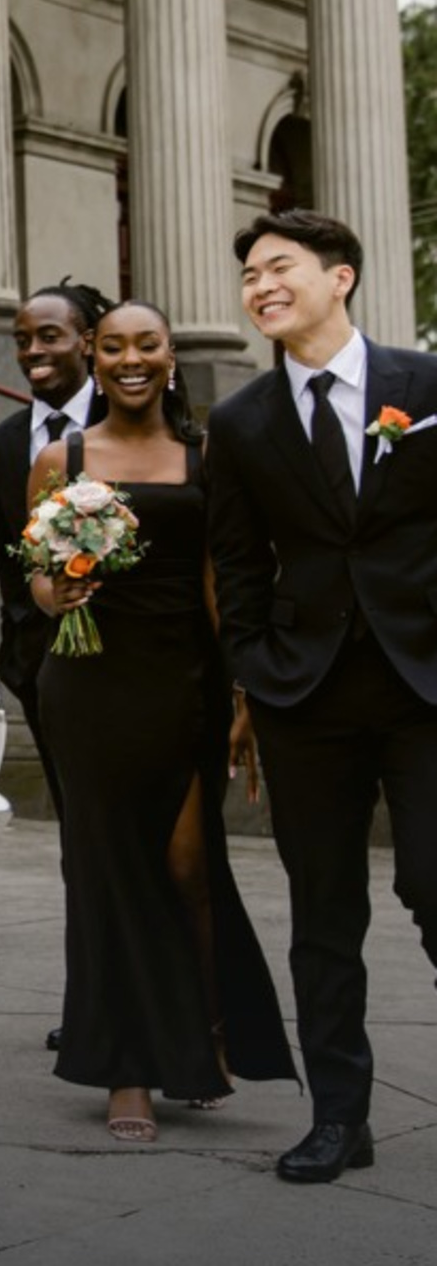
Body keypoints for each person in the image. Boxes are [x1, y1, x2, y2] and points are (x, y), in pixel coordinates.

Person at [206, 210, 437, 1184]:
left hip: (422, 685)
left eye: (277, 268)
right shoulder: (240, 421)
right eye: (248, 276)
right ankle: (338, 1117)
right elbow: (234, 562)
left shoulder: (423, 388)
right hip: (305, 697)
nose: (258, 287)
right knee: (320, 916)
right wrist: (256, 667)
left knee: (432, 885)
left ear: (337, 277)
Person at [33, 300, 294, 1144]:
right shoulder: (58, 456)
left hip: (185, 683)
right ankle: (128, 1067)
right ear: (93, 359)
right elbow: (35, 575)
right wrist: (56, 589)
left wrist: (248, 695)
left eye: (147, 344)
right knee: (107, 870)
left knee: (188, 864)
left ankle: (207, 1028)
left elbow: (224, 584)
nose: (131, 359)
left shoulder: (204, 458)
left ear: (170, 356)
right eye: (113, 347)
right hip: (87, 680)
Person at [0, 280, 112, 1057]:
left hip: (132, 666)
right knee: (78, 840)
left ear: (88, 340)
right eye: (24, 338)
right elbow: (7, 554)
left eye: (51, 336)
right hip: (45, 670)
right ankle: (89, 999)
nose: (34, 352)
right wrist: (27, 647)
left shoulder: (134, 420)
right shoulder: (1, 444)